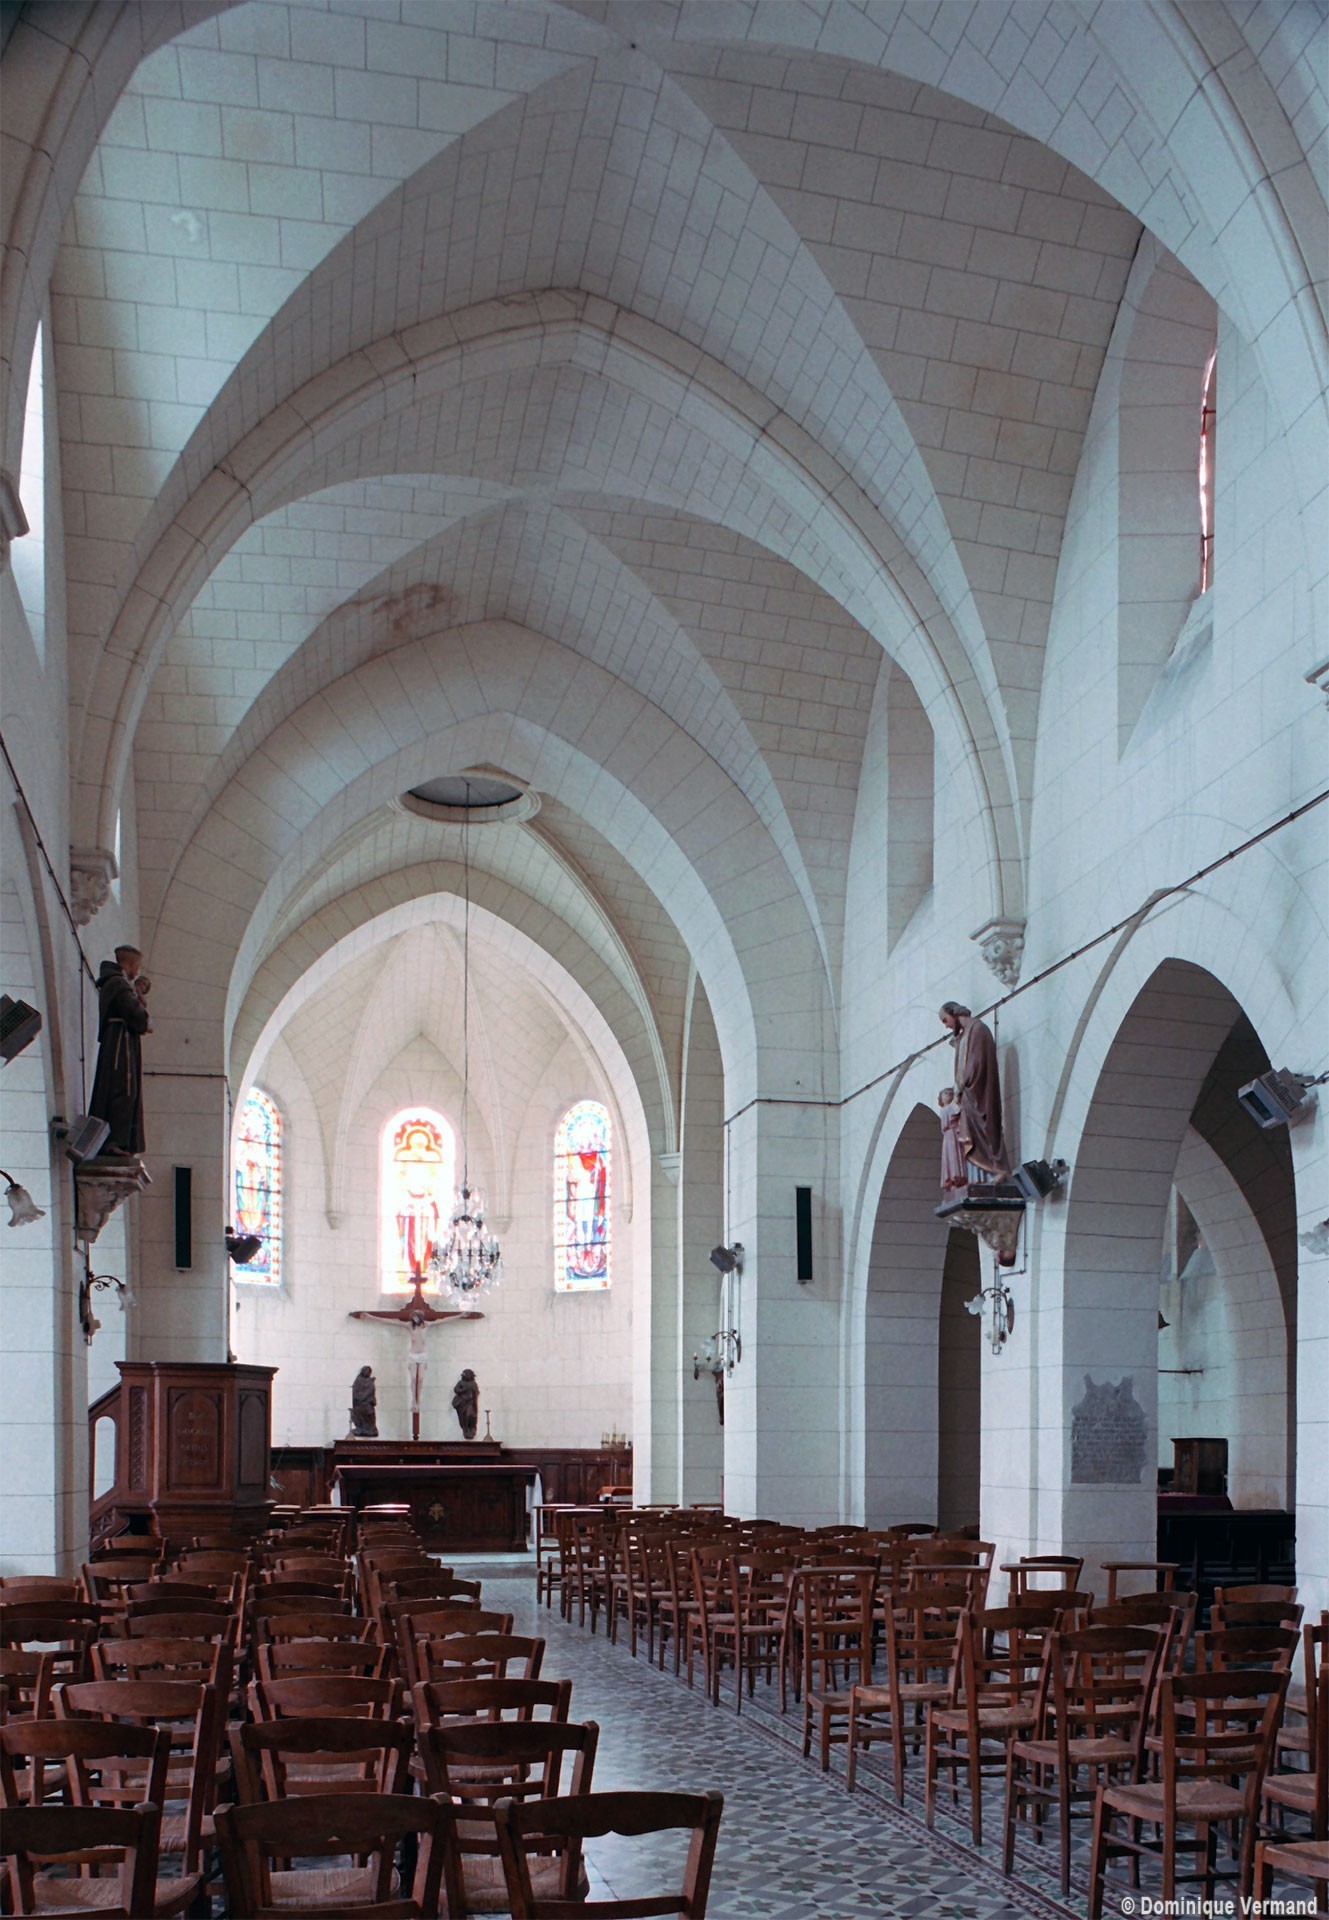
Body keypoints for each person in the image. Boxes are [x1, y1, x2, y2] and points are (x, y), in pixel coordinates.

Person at [88, 945, 151, 1156]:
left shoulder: (115, 984)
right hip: (120, 1045)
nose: (137, 971)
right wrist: (143, 1016)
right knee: (123, 1090)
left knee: (122, 1089)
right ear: (130, 964)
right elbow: (135, 1014)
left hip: (119, 1040)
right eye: (137, 966)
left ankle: (116, 1142)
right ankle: (113, 1142)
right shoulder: (118, 984)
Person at [938, 1002, 1010, 1179]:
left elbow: (976, 1064)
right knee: (972, 1135)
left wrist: (961, 1085)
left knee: (984, 1130)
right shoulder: (965, 1034)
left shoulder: (978, 1030)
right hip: (969, 1095)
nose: (946, 1026)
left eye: (945, 1020)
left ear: (953, 1013)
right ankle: (986, 1173)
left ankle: (996, 1168)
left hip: (978, 1093)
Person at [938, 1086, 968, 1191]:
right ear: (941, 1099)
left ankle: (959, 1178)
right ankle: (952, 1179)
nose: (949, 1095)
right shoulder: (945, 1109)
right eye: (946, 1093)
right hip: (950, 1136)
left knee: (958, 1155)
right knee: (952, 1157)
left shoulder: (951, 1107)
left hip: (956, 1134)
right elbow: (954, 1113)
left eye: (951, 1093)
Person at [452, 1368, 479, 1441]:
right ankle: (466, 1428)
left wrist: (474, 1393)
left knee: (470, 1415)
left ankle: (471, 1428)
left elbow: (476, 1392)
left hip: (470, 1403)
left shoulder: (473, 1383)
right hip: (462, 1403)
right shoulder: (461, 1382)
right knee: (464, 1416)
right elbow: (456, 1389)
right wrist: (463, 1390)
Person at [350, 1365, 377, 1437]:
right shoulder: (358, 1380)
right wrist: (359, 1398)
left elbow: (370, 1391)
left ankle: (371, 1429)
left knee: (369, 1414)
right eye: (366, 1371)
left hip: (367, 1402)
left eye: (369, 1372)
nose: (367, 1373)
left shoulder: (370, 1382)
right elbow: (355, 1391)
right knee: (359, 1413)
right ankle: (360, 1428)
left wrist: (364, 1397)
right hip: (359, 1403)